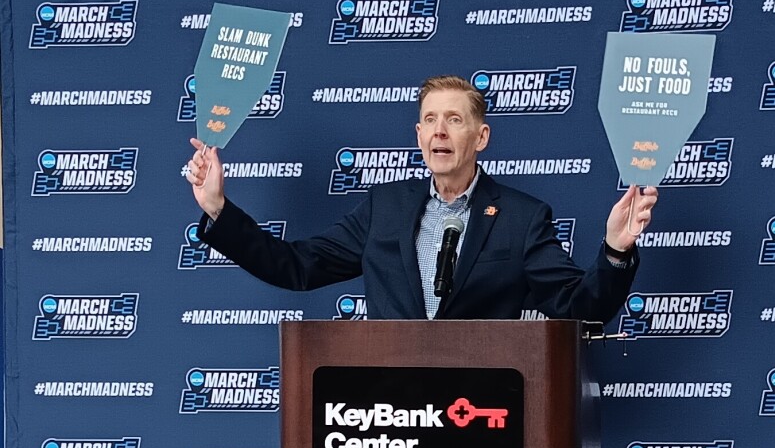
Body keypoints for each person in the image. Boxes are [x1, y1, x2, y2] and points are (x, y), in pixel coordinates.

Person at [185, 74, 656, 321]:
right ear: (417, 134)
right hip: (390, 416)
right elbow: (295, 266)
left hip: (479, 414)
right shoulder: (383, 209)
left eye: (453, 119)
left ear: (481, 136)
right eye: (430, 120)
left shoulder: (521, 218)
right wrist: (218, 211)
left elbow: (578, 307)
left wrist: (615, 249)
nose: (440, 131)